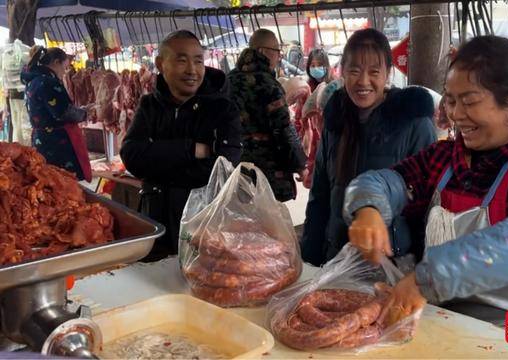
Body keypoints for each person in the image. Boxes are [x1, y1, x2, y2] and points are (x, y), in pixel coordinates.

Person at [343, 35, 508, 357]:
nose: (456, 114)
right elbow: (380, 182)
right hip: (450, 325)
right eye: (450, 100)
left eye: (470, 100)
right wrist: (368, 208)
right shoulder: (444, 158)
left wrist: (428, 278)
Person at [300, 28, 437, 267]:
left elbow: (427, 205)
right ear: (342, 72)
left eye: (374, 71)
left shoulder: (414, 123)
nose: (363, 81)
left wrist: (420, 270)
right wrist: (309, 259)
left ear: (388, 74)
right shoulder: (335, 122)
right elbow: (319, 197)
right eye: (354, 71)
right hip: (336, 259)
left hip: (389, 265)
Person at [120, 30, 242, 260]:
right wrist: (191, 150)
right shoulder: (149, 106)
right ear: (160, 63)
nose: (192, 70)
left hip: (204, 227)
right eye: (181, 60)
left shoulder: (223, 109)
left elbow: (223, 168)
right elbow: (132, 155)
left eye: (198, 61)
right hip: (154, 223)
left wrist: (157, 159)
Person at [228, 29, 306, 202]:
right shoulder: (269, 85)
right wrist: (300, 165)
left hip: (234, 167)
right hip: (265, 171)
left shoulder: (229, 80)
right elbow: (283, 128)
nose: (279, 57)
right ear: (263, 51)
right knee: (266, 225)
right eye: (277, 51)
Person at [21, 46, 91, 181]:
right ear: (56, 62)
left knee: (48, 179)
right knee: (62, 181)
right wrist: (84, 113)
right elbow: (63, 112)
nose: (64, 73)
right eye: (64, 68)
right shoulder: (48, 82)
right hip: (56, 141)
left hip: (42, 139)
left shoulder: (33, 80)